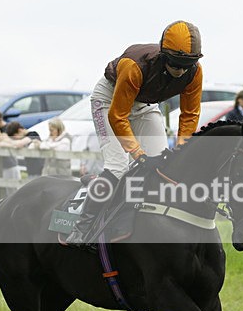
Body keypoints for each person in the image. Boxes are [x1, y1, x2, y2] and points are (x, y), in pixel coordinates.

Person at [67, 20, 204, 246]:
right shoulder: (134, 66)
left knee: (161, 165)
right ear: (163, 55)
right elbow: (118, 116)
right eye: (175, 64)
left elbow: (189, 115)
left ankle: (140, 219)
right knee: (118, 167)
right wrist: (138, 154)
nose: (180, 72)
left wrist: (181, 149)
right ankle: (82, 226)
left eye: (186, 66)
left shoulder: (194, 72)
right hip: (109, 101)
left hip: (145, 104)